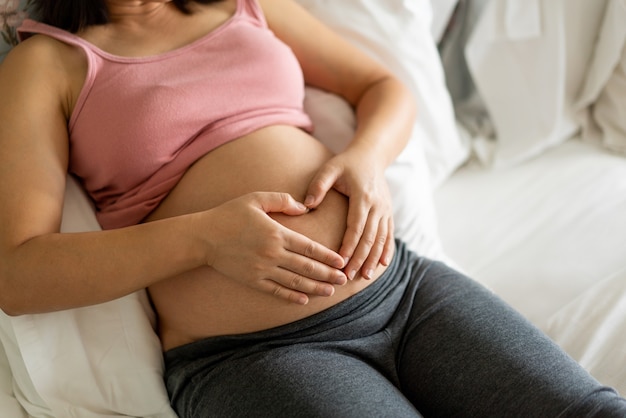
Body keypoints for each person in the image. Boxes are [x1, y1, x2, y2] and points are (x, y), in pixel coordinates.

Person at [0, 0, 624, 416]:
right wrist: (206, 239)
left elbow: (381, 87)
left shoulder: (242, 4)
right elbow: (19, 273)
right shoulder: (45, 64)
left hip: (404, 291)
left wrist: (367, 160)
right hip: (256, 355)